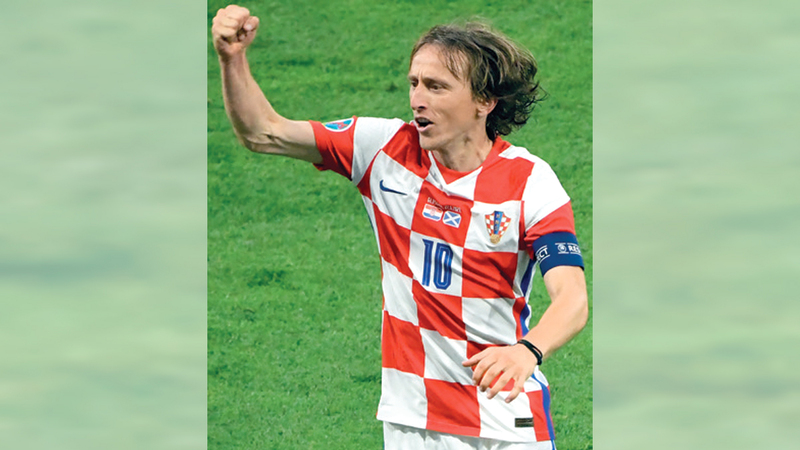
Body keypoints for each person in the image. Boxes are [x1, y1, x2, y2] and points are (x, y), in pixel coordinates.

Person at [211, 5, 588, 449]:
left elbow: (572, 299)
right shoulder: (382, 150)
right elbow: (263, 132)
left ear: (484, 102)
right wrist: (232, 59)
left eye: (436, 86)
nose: (417, 99)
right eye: (414, 83)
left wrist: (527, 351)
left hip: (503, 420)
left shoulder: (529, 182)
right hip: (411, 419)